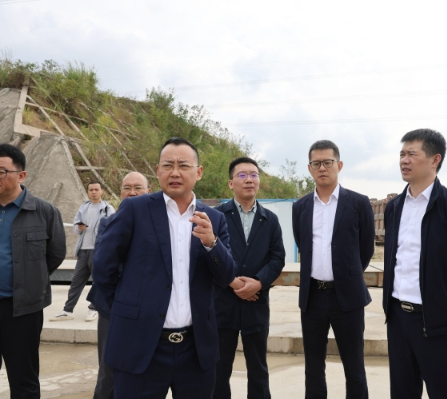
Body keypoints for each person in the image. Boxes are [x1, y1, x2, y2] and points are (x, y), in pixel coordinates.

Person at [93, 137, 237, 398]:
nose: (175, 172)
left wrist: (212, 243)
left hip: (196, 350)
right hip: (139, 346)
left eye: (183, 165)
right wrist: (124, 313)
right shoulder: (135, 209)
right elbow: (103, 267)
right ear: (158, 171)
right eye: (168, 165)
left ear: (199, 172)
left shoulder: (214, 219)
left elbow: (227, 275)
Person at [382, 129, 447, 399]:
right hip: (398, 320)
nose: (404, 160)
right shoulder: (394, 207)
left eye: (412, 154)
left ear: (435, 159)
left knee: (444, 393)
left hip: (438, 325)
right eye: (401, 154)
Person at [292, 140, 375, 399]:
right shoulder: (300, 207)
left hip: (347, 297)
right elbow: (302, 244)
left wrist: (346, 275)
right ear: (309, 168)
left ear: (339, 165)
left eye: (328, 162)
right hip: (313, 298)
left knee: (354, 365)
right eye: (316, 163)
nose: (322, 168)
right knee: (313, 366)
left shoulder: (359, 203)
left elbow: (365, 249)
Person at [212, 157, 285, 399]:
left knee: (258, 369)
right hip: (223, 303)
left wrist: (259, 283)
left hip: (256, 303)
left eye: (254, 174)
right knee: (219, 369)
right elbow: (209, 255)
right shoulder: (216, 216)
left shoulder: (270, 219)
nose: (249, 180)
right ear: (231, 183)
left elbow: (277, 258)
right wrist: (233, 282)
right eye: (242, 175)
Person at [0, 143, 66, 398]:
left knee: (24, 379)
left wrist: (29, 278)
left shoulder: (44, 211)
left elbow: (55, 254)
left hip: (23, 310)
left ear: (21, 175)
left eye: (1, 171)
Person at [87, 171, 151, 399]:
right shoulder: (108, 223)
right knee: (109, 369)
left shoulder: (158, 225)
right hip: (111, 305)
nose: (132, 193)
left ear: (149, 192)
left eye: (138, 188)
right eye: (127, 188)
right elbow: (103, 264)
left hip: (148, 307)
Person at [50, 181, 114, 322]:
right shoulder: (83, 208)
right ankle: (67, 310)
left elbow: (113, 229)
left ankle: (93, 309)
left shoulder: (108, 209)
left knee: (97, 281)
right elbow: (75, 226)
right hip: (83, 250)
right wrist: (79, 228)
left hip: (99, 250)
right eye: (91, 190)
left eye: (96, 189)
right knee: (76, 281)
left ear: (102, 191)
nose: (93, 192)